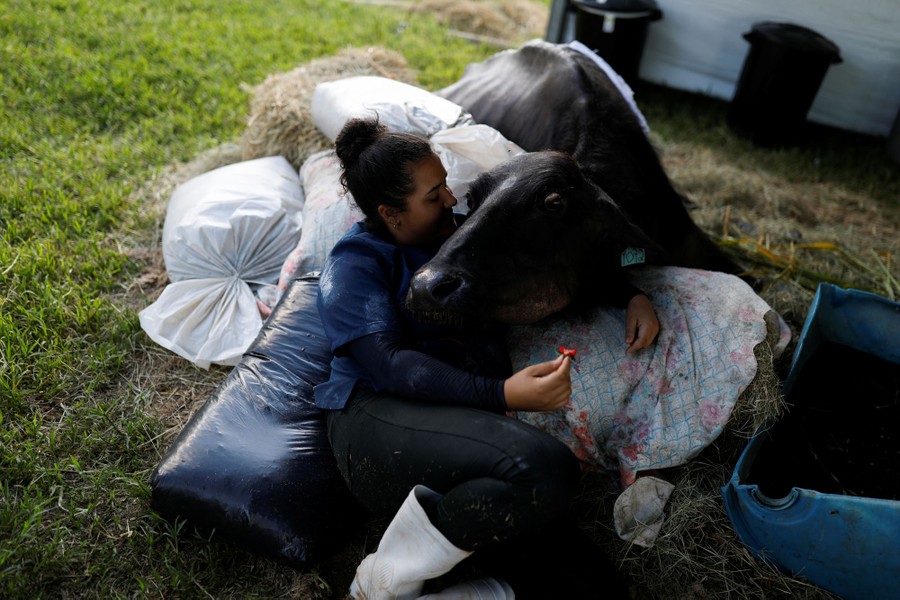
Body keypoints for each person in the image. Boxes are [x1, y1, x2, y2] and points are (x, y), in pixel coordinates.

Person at [315, 117, 658, 599]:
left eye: (446, 188)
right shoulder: (356, 264)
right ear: (391, 214)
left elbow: (550, 263)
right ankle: (387, 574)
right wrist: (502, 392)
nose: (452, 202)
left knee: (595, 587)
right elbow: (391, 365)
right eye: (433, 197)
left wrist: (630, 294)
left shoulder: (461, 241)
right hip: (376, 424)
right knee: (546, 468)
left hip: (465, 431)